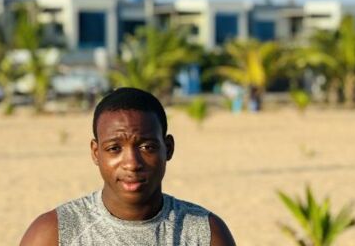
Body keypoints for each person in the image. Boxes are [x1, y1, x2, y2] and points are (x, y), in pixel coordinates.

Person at [20, 87, 236, 245]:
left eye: (147, 147)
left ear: (168, 148)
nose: (132, 163)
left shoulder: (205, 234)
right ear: (96, 153)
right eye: (114, 148)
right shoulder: (54, 234)